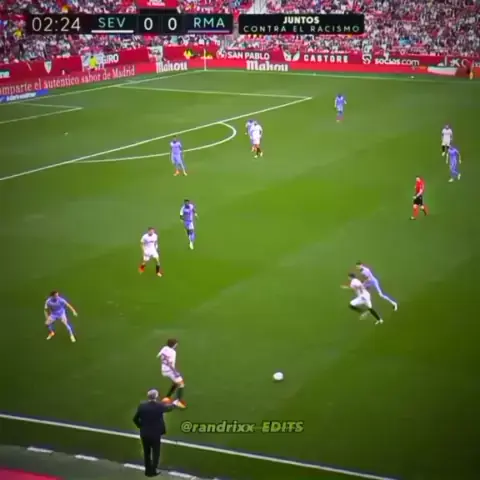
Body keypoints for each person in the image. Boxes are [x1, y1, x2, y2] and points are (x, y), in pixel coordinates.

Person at [133, 389, 173, 477]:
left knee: (146, 453)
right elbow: (169, 408)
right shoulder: (159, 406)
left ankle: (148, 471)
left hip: (144, 433)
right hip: (155, 434)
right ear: (156, 396)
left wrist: (141, 426)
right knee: (156, 453)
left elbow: (135, 419)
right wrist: (175, 404)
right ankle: (153, 470)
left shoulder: (142, 406)